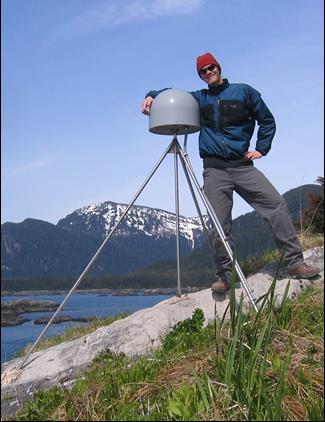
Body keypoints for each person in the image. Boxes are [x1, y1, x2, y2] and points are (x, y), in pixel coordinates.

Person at [141, 52, 320, 294]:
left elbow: (266, 120)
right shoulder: (198, 98)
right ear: (200, 75)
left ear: (219, 67)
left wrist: (261, 149)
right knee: (219, 225)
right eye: (203, 71)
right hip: (214, 170)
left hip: (242, 166)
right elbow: (173, 95)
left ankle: (295, 262)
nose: (208, 72)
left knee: (276, 205)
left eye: (211, 67)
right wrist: (151, 95)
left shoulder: (243, 92)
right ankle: (226, 276)